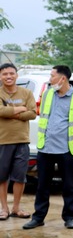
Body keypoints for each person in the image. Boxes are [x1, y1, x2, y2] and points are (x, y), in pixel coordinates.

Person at [23, 65, 73, 230]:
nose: (50, 79)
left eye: (52, 76)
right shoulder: (47, 94)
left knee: (68, 186)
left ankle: (69, 217)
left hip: (66, 149)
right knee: (42, 186)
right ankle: (38, 217)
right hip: (45, 148)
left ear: (62, 78)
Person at [0, 63, 36, 221]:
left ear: (16, 75)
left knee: (20, 176)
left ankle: (16, 207)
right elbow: (0, 111)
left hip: (22, 140)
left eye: (11, 73)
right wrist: (20, 109)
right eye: (5, 74)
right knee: (2, 177)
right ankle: (4, 208)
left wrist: (10, 113)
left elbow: (33, 113)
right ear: (0, 77)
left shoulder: (27, 93)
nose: (8, 76)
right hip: (2, 140)